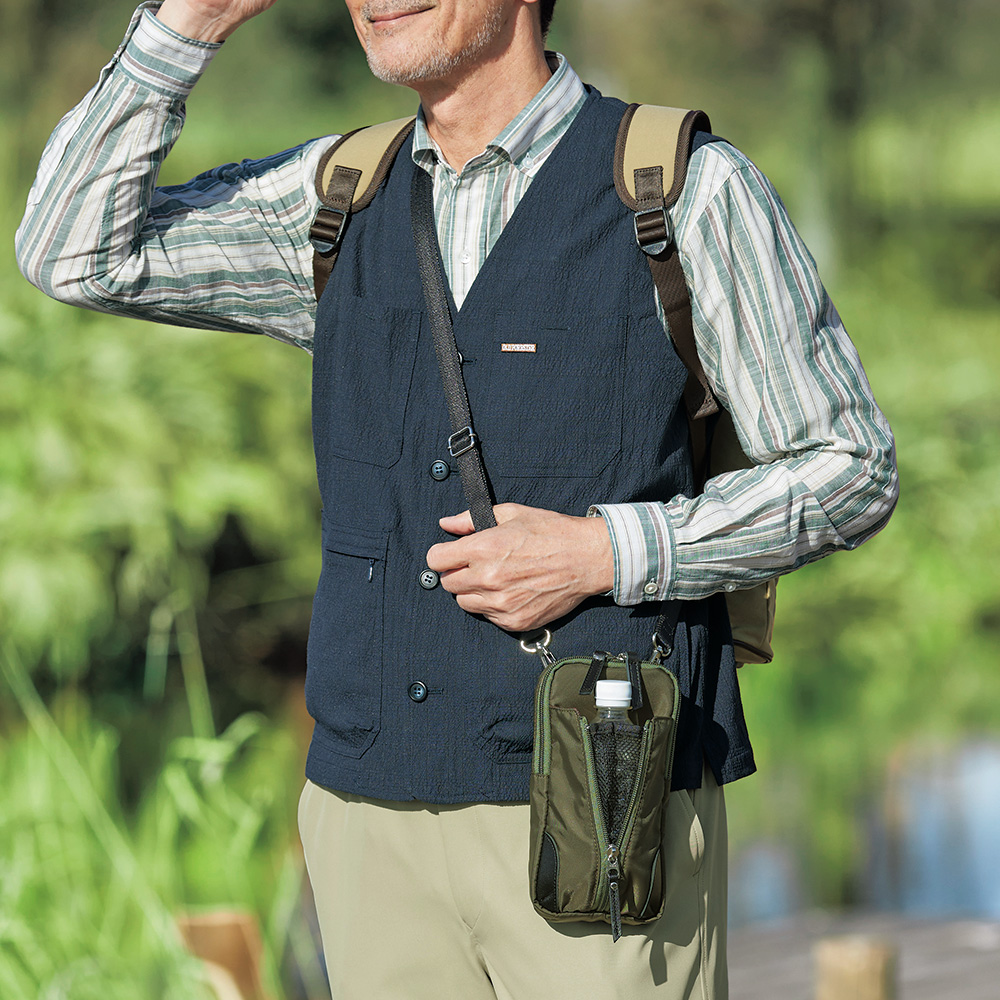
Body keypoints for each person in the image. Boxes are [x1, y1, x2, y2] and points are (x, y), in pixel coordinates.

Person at [15, 0, 898, 996]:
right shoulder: (334, 197)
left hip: (604, 797)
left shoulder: (683, 189)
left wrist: (609, 552)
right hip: (366, 818)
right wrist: (186, 26)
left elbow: (849, 465)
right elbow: (71, 251)